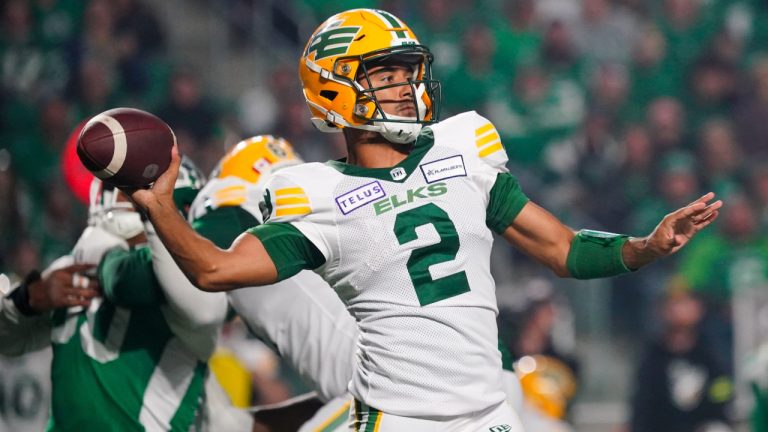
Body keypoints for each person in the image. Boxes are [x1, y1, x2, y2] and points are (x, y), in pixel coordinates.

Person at [129, 9, 722, 431]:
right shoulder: (314, 194)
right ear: (336, 93)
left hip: (490, 413)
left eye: (408, 72)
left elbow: (564, 250)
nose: (408, 88)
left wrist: (644, 246)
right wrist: (159, 207)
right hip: (398, 419)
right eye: (386, 76)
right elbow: (213, 270)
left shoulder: (459, 154)